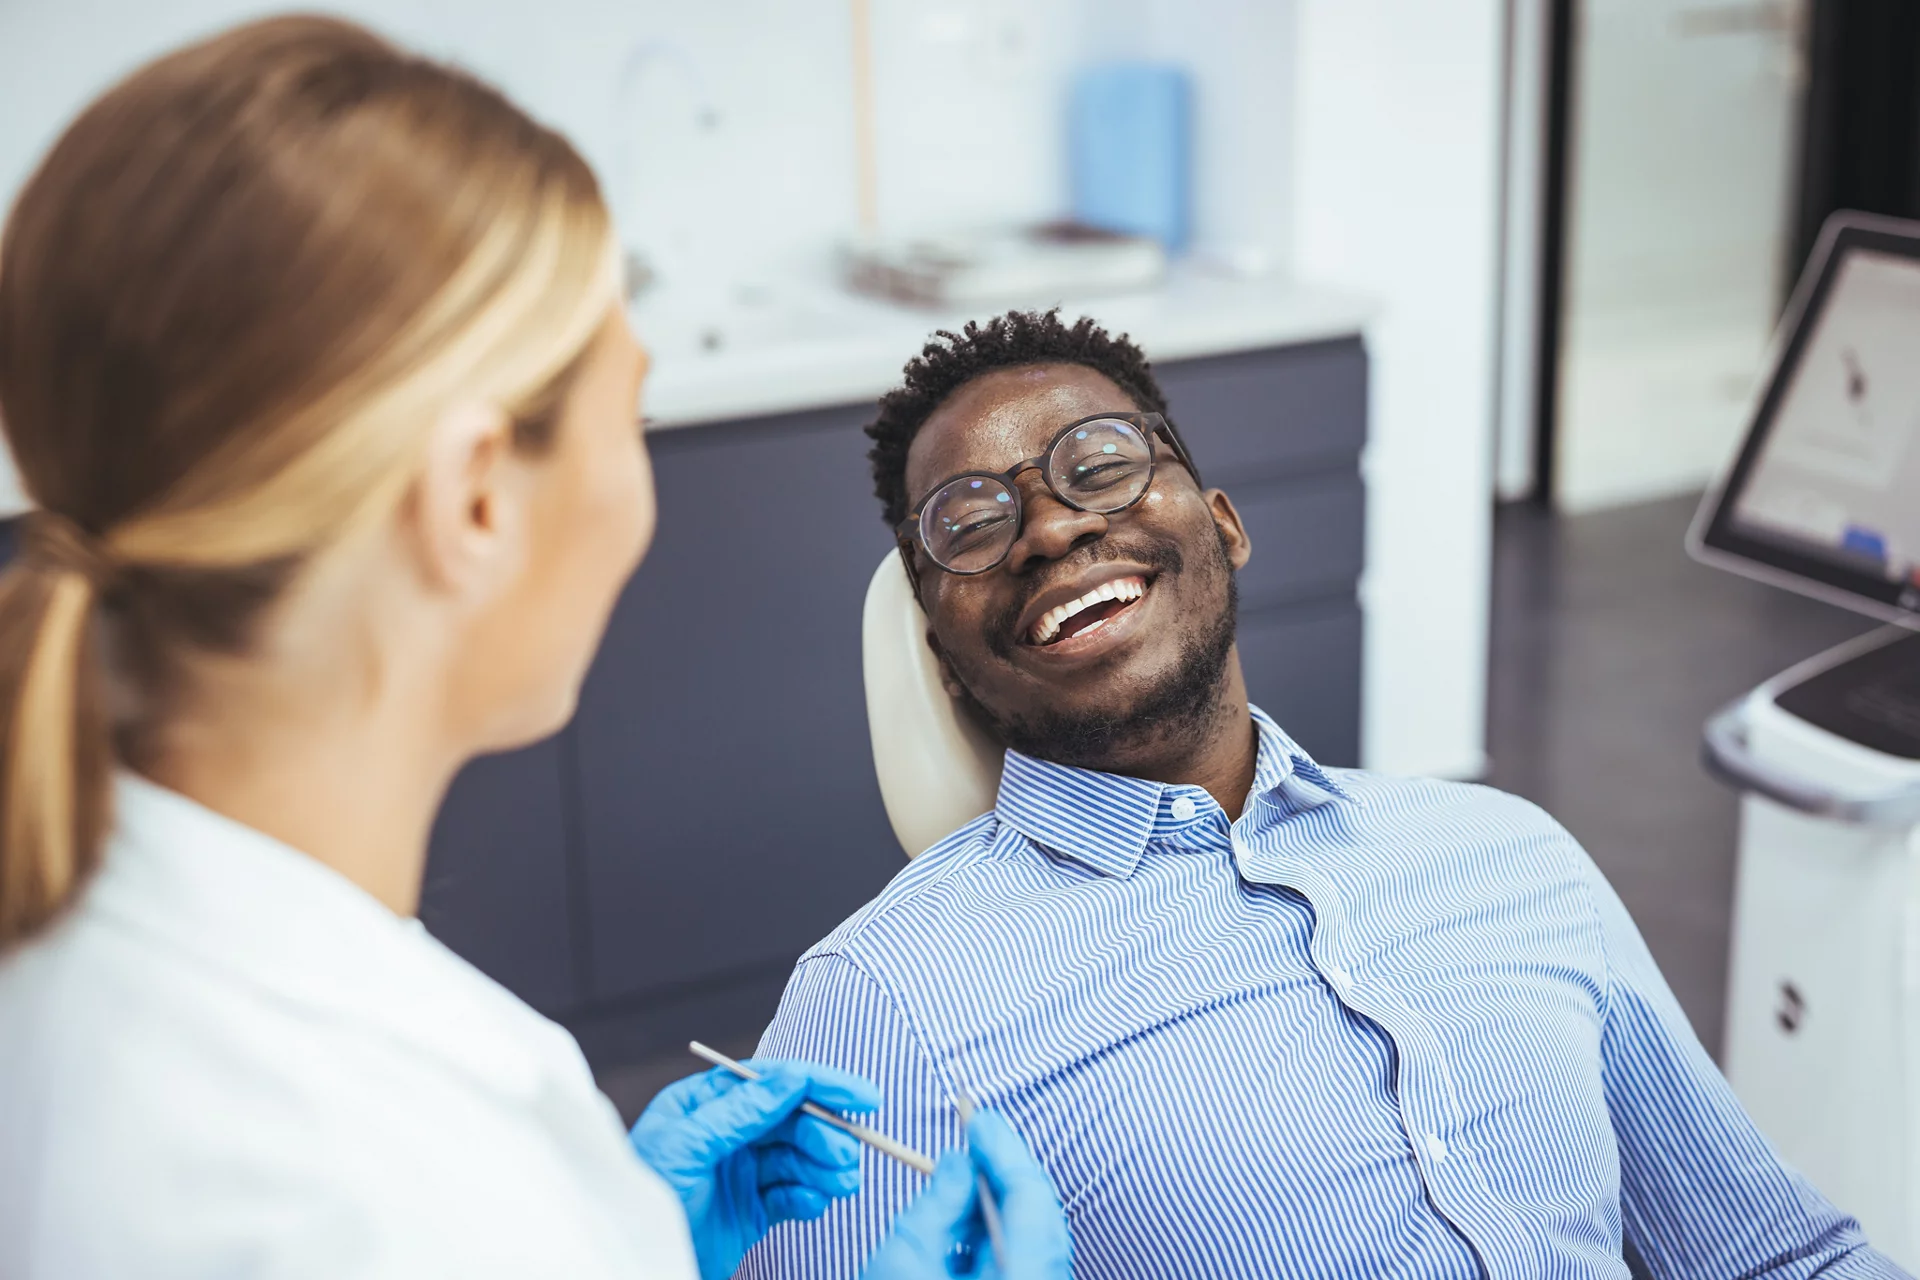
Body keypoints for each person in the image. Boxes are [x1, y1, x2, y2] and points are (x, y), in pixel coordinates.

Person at [0, 19, 1072, 1280]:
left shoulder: (112, 946)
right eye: (634, 413)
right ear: (475, 503)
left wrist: (627, 1233)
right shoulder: (393, 1185)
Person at [741, 310, 1908, 1280]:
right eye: (973, 524)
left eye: (1099, 463)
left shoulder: (1509, 853)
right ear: (944, 657)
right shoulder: (886, 1008)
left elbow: (1773, 1255)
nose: (1051, 525)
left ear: (1225, 525)